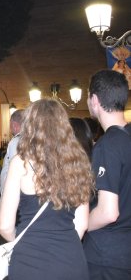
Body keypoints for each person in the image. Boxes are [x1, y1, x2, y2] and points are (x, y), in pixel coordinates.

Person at [0, 99, 93, 279]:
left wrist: (26, 243)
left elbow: (5, 225)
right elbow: (82, 223)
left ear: (30, 127)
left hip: (29, 261)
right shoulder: (78, 162)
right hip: (70, 260)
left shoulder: (21, 163)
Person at [83, 69, 131, 279]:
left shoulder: (107, 145)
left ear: (94, 100)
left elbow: (108, 212)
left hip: (107, 255)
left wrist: (80, 225)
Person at [0, 109, 25, 195]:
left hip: (12, 191)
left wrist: (6, 178)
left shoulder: (15, 141)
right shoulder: (29, 139)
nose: (10, 128)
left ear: (14, 124)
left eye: (10, 125)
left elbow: (15, 167)